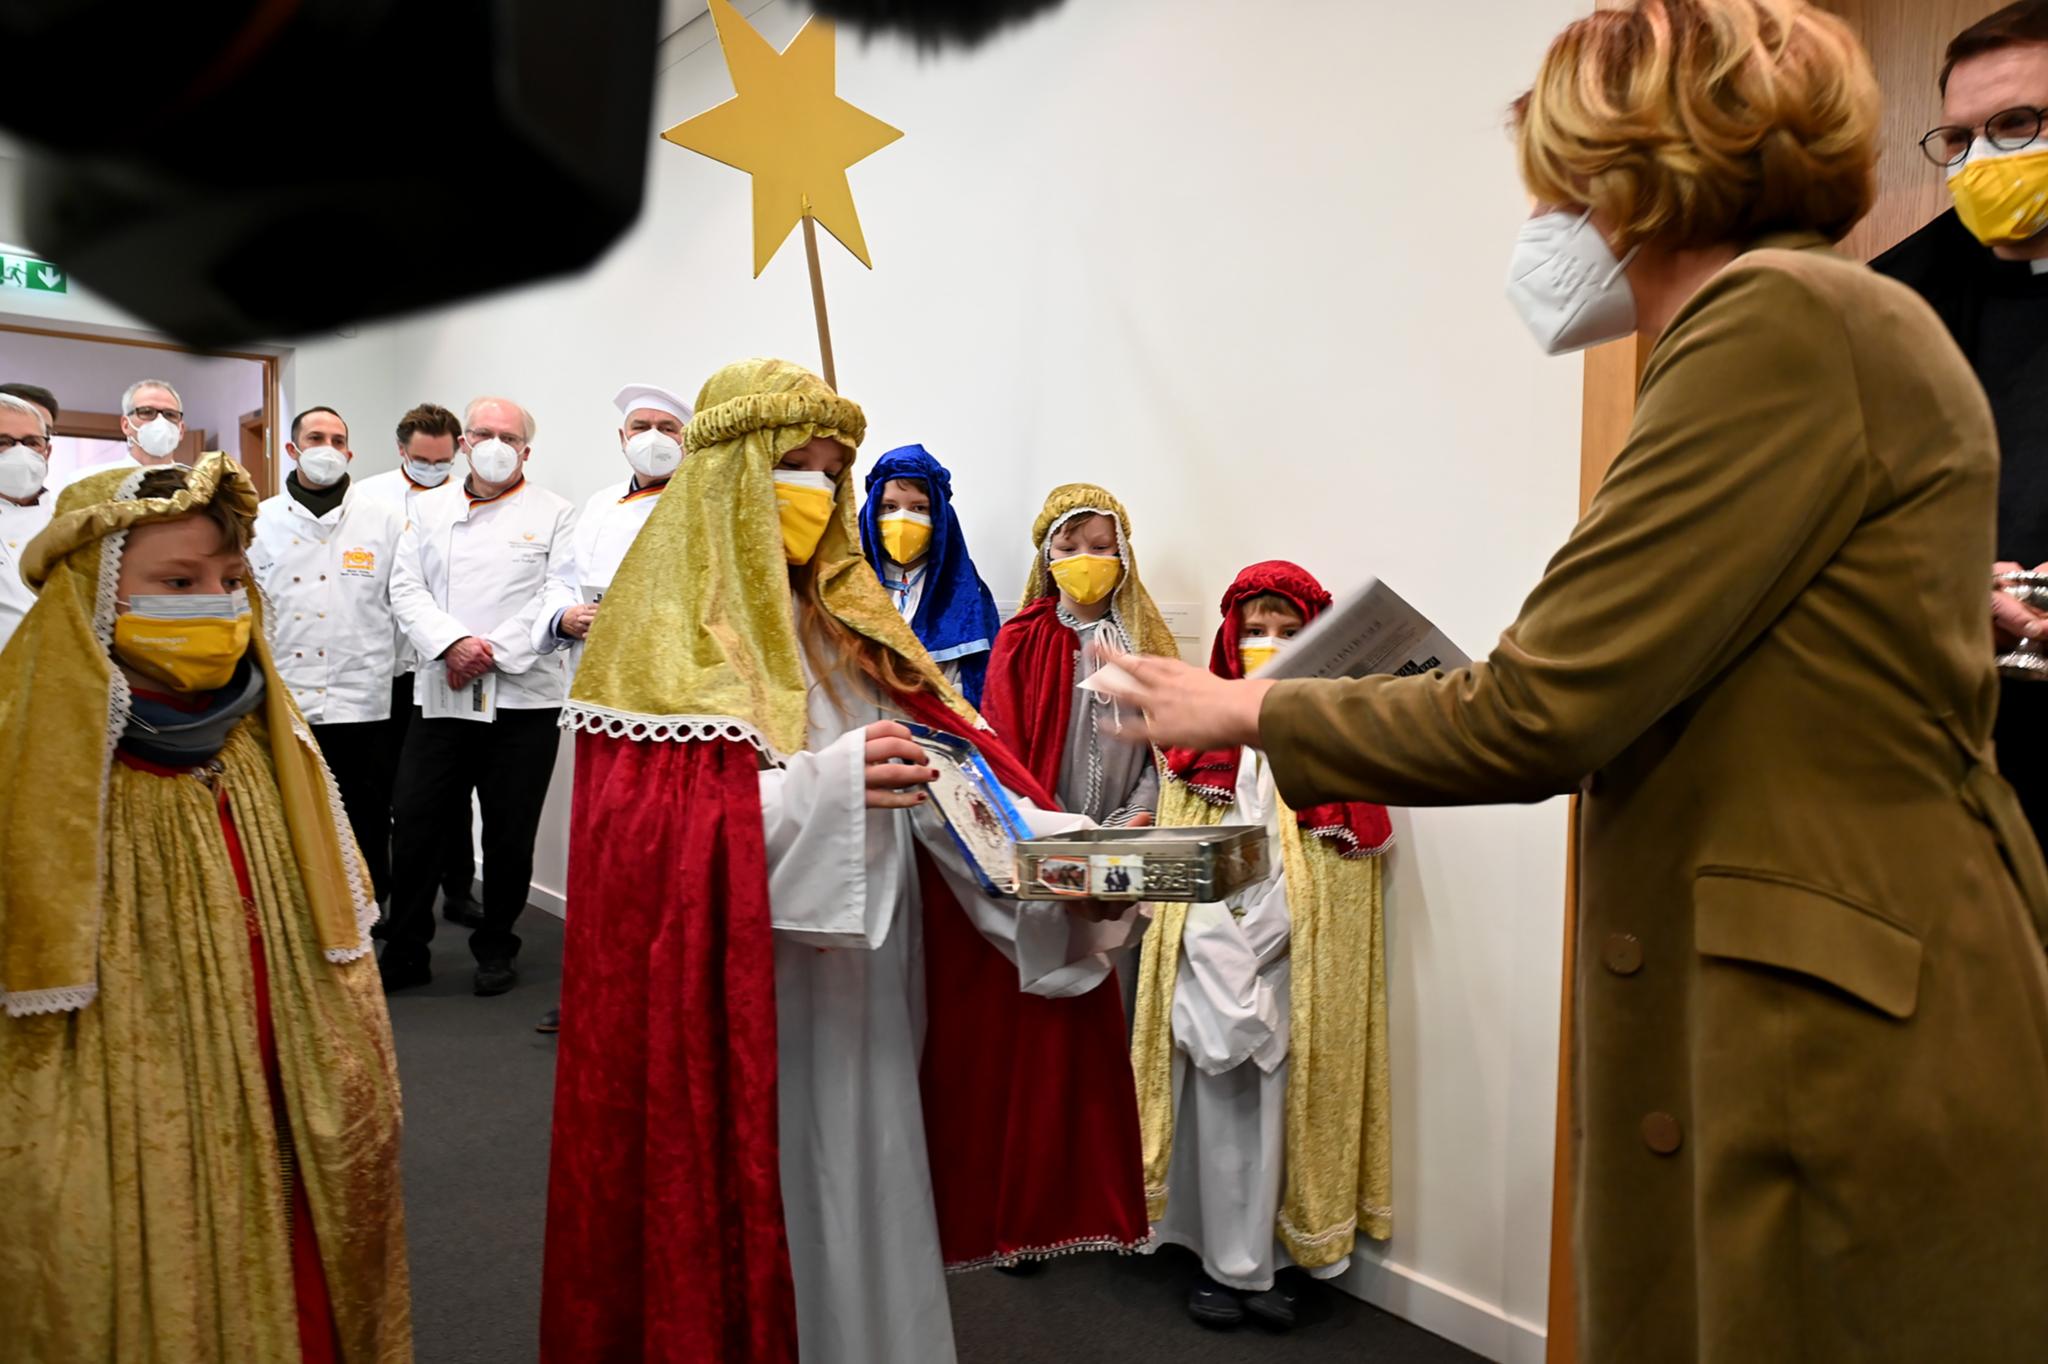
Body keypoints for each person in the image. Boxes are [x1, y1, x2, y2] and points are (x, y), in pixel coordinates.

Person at [1094, 2, 2048, 1358]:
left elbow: (1544, 710)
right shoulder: (1815, 321)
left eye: (1556, 182)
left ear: (1636, 179)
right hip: (1825, 982)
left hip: (1830, 1026)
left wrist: (1247, 705)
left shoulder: (1775, 321)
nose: (1543, 223)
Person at [541, 359, 1148, 1364]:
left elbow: (949, 778)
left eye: (833, 471)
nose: (817, 494)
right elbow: (645, 846)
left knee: (866, 1190)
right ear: (731, 476)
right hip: (743, 997)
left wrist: (1050, 858)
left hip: (871, 974)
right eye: (794, 467)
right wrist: (826, 785)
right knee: (763, 1196)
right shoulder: (662, 632)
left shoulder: (852, 626)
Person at [0, 455, 411, 1361]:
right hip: (135, 1093)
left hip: (278, 1054)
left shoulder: (261, 737)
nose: (218, 605)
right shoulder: (38, 751)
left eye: (230, 581)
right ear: (96, 593)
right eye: (176, 583)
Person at [1129, 561, 1395, 1332]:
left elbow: (1332, 884)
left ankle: (1273, 1261)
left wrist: (1271, 943)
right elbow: (1185, 862)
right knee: (1213, 1115)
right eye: (1254, 632)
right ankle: (1215, 1258)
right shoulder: (1193, 750)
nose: (1268, 645)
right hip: (1209, 962)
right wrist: (1220, 952)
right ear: (1228, 638)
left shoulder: (1344, 756)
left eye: (1287, 632)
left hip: (1289, 968)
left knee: (1284, 1115)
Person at [1874, 2, 2048, 836]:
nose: (1982, 160)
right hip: (1940, 770)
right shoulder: (1892, 298)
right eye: (1959, 139)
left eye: (2016, 124)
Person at [384, 395, 574, 996]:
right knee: (416, 824)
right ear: (464, 442)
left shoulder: (555, 513)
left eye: (508, 436)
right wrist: (452, 644)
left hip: (524, 700)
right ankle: (408, 947)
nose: (495, 445)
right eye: (483, 433)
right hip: (441, 692)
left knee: (509, 834)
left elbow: (557, 593)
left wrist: (489, 651)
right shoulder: (427, 508)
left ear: (526, 450)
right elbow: (405, 588)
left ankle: (497, 945)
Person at [525, 381, 692, 1033]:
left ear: (689, 436)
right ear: (621, 439)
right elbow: (560, 579)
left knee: (660, 853)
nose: (652, 438)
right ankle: (597, 989)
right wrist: (565, 616)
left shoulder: (704, 506)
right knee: (601, 851)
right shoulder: (596, 506)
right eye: (639, 426)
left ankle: (656, 995)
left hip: (671, 704)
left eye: (667, 427)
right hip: (596, 698)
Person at [250, 406, 405, 909]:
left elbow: (404, 606)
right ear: (293, 450)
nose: (328, 449)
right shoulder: (258, 521)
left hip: (364, 698)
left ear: (350, 453)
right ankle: (294, 913)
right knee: (287, 812)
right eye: (316, 438)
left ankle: (369, 911)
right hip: (284, 698)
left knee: (366, 814)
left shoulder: (385, 523)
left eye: (338, 440)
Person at [980, 482, 1176, 828]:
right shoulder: (1021, 638)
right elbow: (1004, 743)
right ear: (1047, 557)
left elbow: (1167, 743)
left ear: (1122, 556)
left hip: (1135, 826)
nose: (1084, 560)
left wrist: (1143, 807)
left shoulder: (1143, 640)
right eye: (1068, 548)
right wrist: (1049, 819)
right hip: (1045, 824)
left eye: (1100, 547)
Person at [356, 403, 483, 931]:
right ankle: (385, 900)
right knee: (389, 792)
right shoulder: (367, 498)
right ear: (401, 449)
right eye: (421, 459)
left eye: (443, 460)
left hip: (445, 665)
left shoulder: (472, 496)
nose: (433, 469)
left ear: (458, 450)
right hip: (387, 667)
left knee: (450, 791)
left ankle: (458, 890)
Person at [856, 444, 1003, 705]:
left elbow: (982, 683)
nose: (902, 518)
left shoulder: (968, 592)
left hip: (940, 731)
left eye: (919, 508)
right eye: (889, 507)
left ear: (940, 517)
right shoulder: (851, 585)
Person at [0, 392, 56, 650]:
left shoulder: (71, 517)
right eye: (4, 441)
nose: (20, 452)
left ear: (47, 450)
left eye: (32, 442)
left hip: (62, 675)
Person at [59, 378, 188, 487]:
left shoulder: (196, 487)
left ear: (181, 430)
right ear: (125, 425)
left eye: (170, 415)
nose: (160, 421)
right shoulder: (85, 484)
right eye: (147, 412)